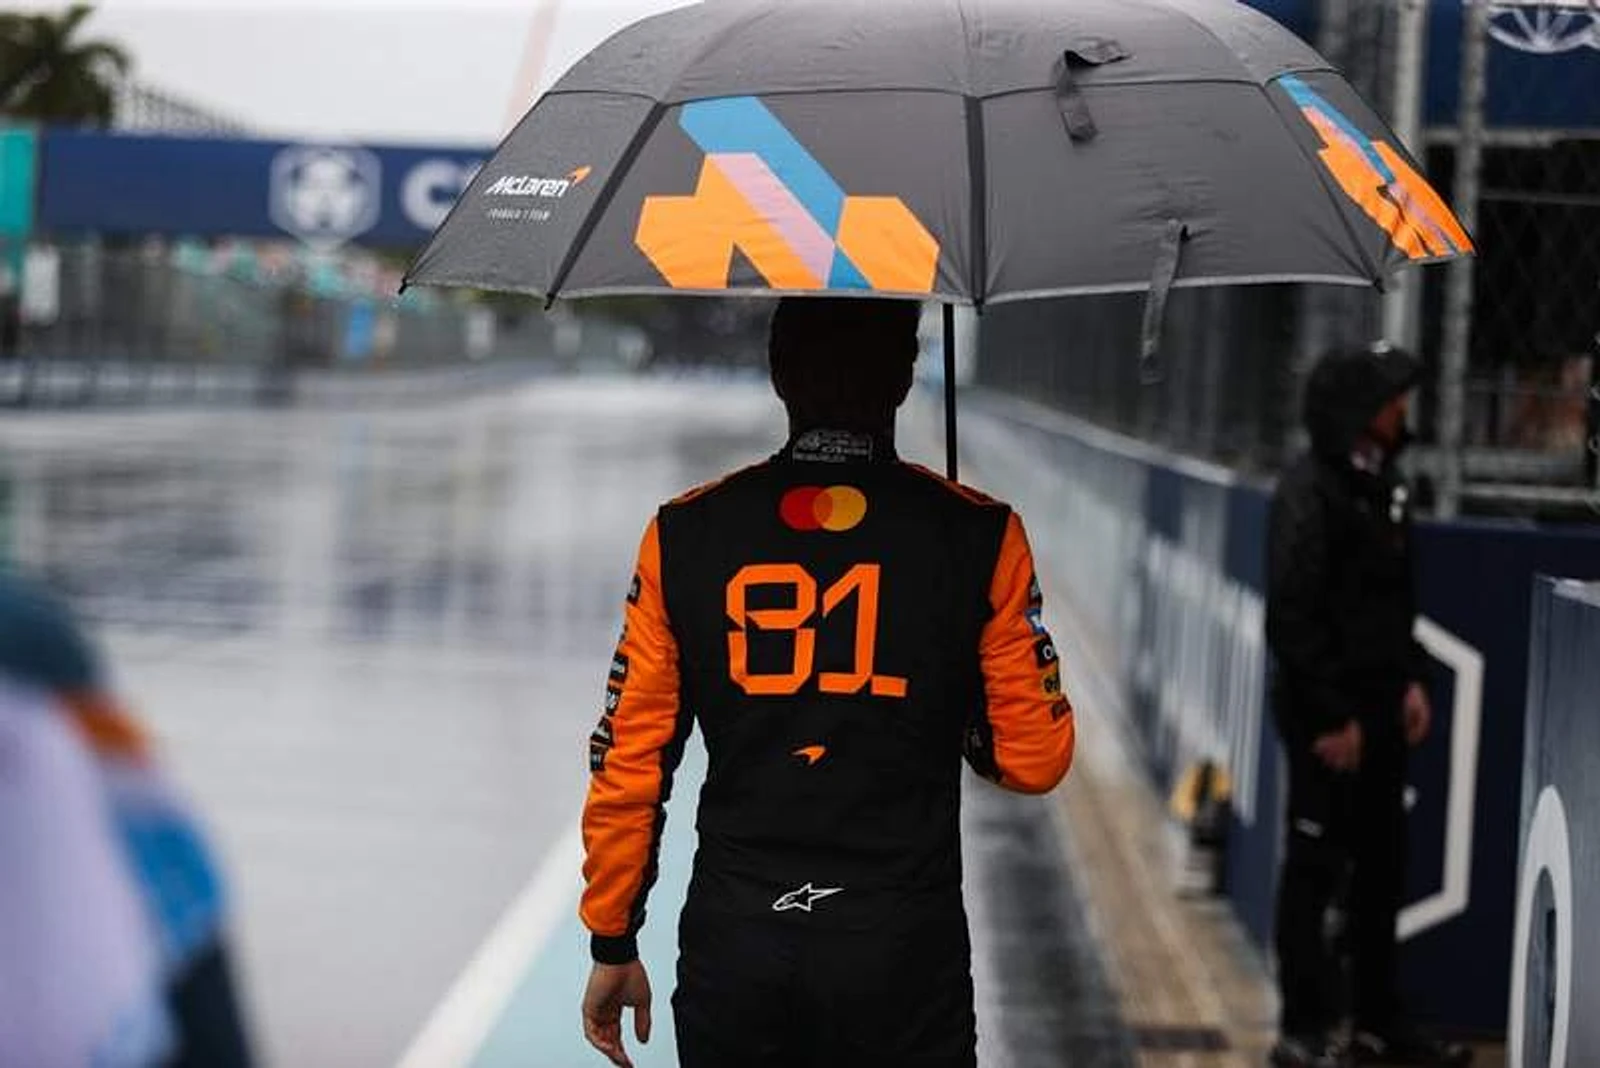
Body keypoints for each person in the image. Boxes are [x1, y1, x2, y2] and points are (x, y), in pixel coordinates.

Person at [578, 297, 1076, 1068]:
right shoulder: (980, 534)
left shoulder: (685, 532)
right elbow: (1032, 758)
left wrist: (613, 938)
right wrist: (957, 694)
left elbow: (629, 758)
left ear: (778, 372)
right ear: (906, 376)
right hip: (902, 953)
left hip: (738, 941)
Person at [1265, 344, 1471, 1068]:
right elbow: (1292, 618)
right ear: (1357, 410)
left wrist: (1411, 679)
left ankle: (1378, 1023)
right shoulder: (1307, 491)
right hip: (1326, 719)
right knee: (1315, 868)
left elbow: (1394, 605)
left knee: (1383, 871)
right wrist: (1332, 718)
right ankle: (1303, 1030)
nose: (1402, 408)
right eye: (1391, 398)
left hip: (1381, 712)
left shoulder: (1386, 485)